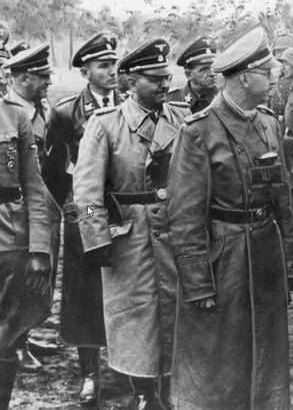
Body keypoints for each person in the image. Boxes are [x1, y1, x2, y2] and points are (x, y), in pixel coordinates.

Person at [166, 27, 292, 410]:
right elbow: (184, 216)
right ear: (244, 79)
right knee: (220, 355)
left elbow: (282, 195)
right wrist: (198, 282)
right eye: (267, 73)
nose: (273, 79)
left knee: (268, 347)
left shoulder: (268, 122)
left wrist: (291, 258)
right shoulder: (199, 131)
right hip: (225, 258)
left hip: (265, 252)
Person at [72, 38, 189, 409]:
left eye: (166, 77)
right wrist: (97, 236)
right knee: (136, 317)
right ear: (130, 81)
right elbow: (87, 196)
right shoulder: (106, 125)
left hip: (175, 231)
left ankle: (169, 390)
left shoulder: (182, 119)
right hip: (130, 238)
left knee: (176, 311)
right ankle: (143, 394)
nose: (163, 85)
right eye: (154, 79)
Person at [41, 33, 124, 406]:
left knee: (126, 287)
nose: (112, 72)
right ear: (85, 70)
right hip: (87, 210)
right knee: (85, 293)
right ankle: (90, 372)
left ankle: (127, 363)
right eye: (103, 66)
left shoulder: (129, 104)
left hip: (124, 210)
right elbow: (54, 173)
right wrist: (78, 210)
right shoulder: (65, 113)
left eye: (114, 65)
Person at [4, 44, 61, 373]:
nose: (49, 82)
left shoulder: (34, 110)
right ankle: (16, 342)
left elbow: (42, 170)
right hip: (14, 217)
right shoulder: (14, 110)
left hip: (35, 214)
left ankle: (22, 336)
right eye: (43, 77)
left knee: (34, 287)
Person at [0, 81, 52, 409]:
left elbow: (35, 186)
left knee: (8, 332)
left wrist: (40, 248)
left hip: (10, 239)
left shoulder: (15, 116)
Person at [167, 36, 218, 113]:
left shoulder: (228, 98)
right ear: (189, 75)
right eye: (204, 69)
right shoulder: (171, 100)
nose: (212, 74)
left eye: (213, 67)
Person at [269, 48, 293, 128]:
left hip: (290, 127)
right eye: (282, 64)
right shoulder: (278, 79)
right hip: (275, 124)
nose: (283, 68)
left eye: (287, 64)